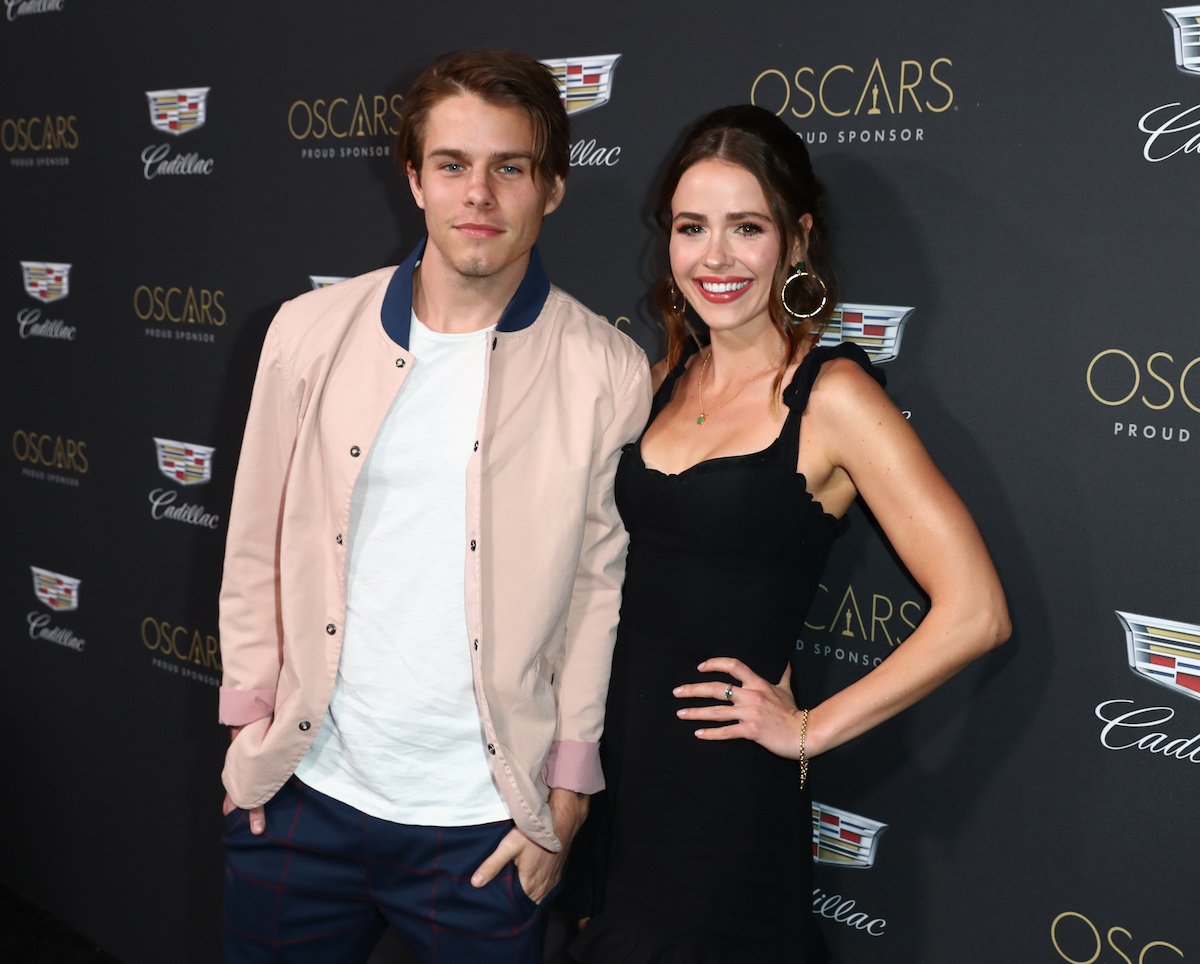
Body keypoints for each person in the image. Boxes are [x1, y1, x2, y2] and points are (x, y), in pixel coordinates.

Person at [217, 48, 650, 963]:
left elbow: (594, 589)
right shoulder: (309, 332)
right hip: (304, 797)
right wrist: (248, 729)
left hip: (487, 827)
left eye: (510, 167)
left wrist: (567, 793)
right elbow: (254, 537)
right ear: (413, 179)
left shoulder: (603, 367)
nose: (479, 195)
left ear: (553, 188)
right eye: (453, 165)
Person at [570, 105, 1010, 962]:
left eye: (748, 227)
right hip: (618, 773)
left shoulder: (833, 396)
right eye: (692, 227)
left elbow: (978, 610)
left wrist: (809, 729)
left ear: (796, 240)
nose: (716, 257)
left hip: (724, 800)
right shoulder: (661, 378)